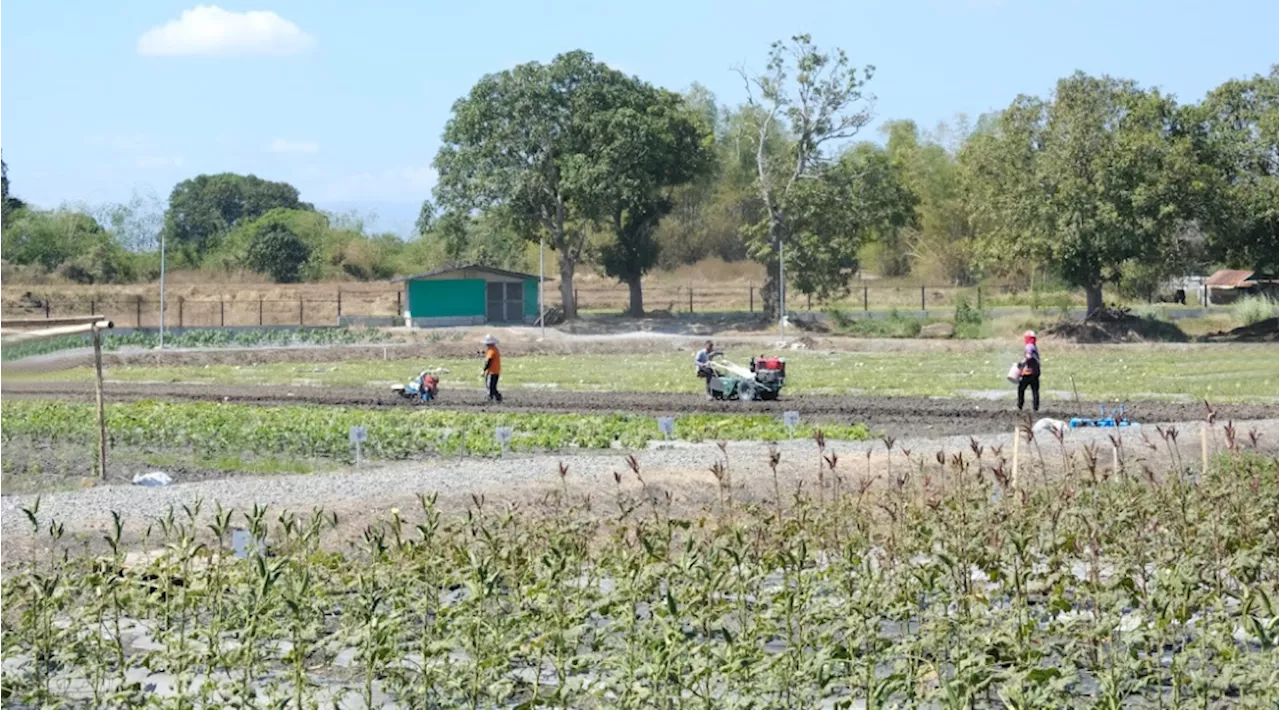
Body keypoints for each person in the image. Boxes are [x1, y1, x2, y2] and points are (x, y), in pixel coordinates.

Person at [1018, 330, 1041, 412]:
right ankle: (1036, 408)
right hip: (1036, 372)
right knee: (1035, 390)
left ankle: (1020, 405)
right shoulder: (1034, 346)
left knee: (1021, 388)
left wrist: (1021, 363)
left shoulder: (1029, 346)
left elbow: (1028, 356)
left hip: (1028, 372)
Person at [482, 335, 502, 403]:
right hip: (495, 371)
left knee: (490, 387)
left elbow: (488, 361)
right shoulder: (494, 349)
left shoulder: (491, 350)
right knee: (492, 387)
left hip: (492, 372)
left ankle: (491, 398)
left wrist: (483, 370)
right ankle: (497, 398)